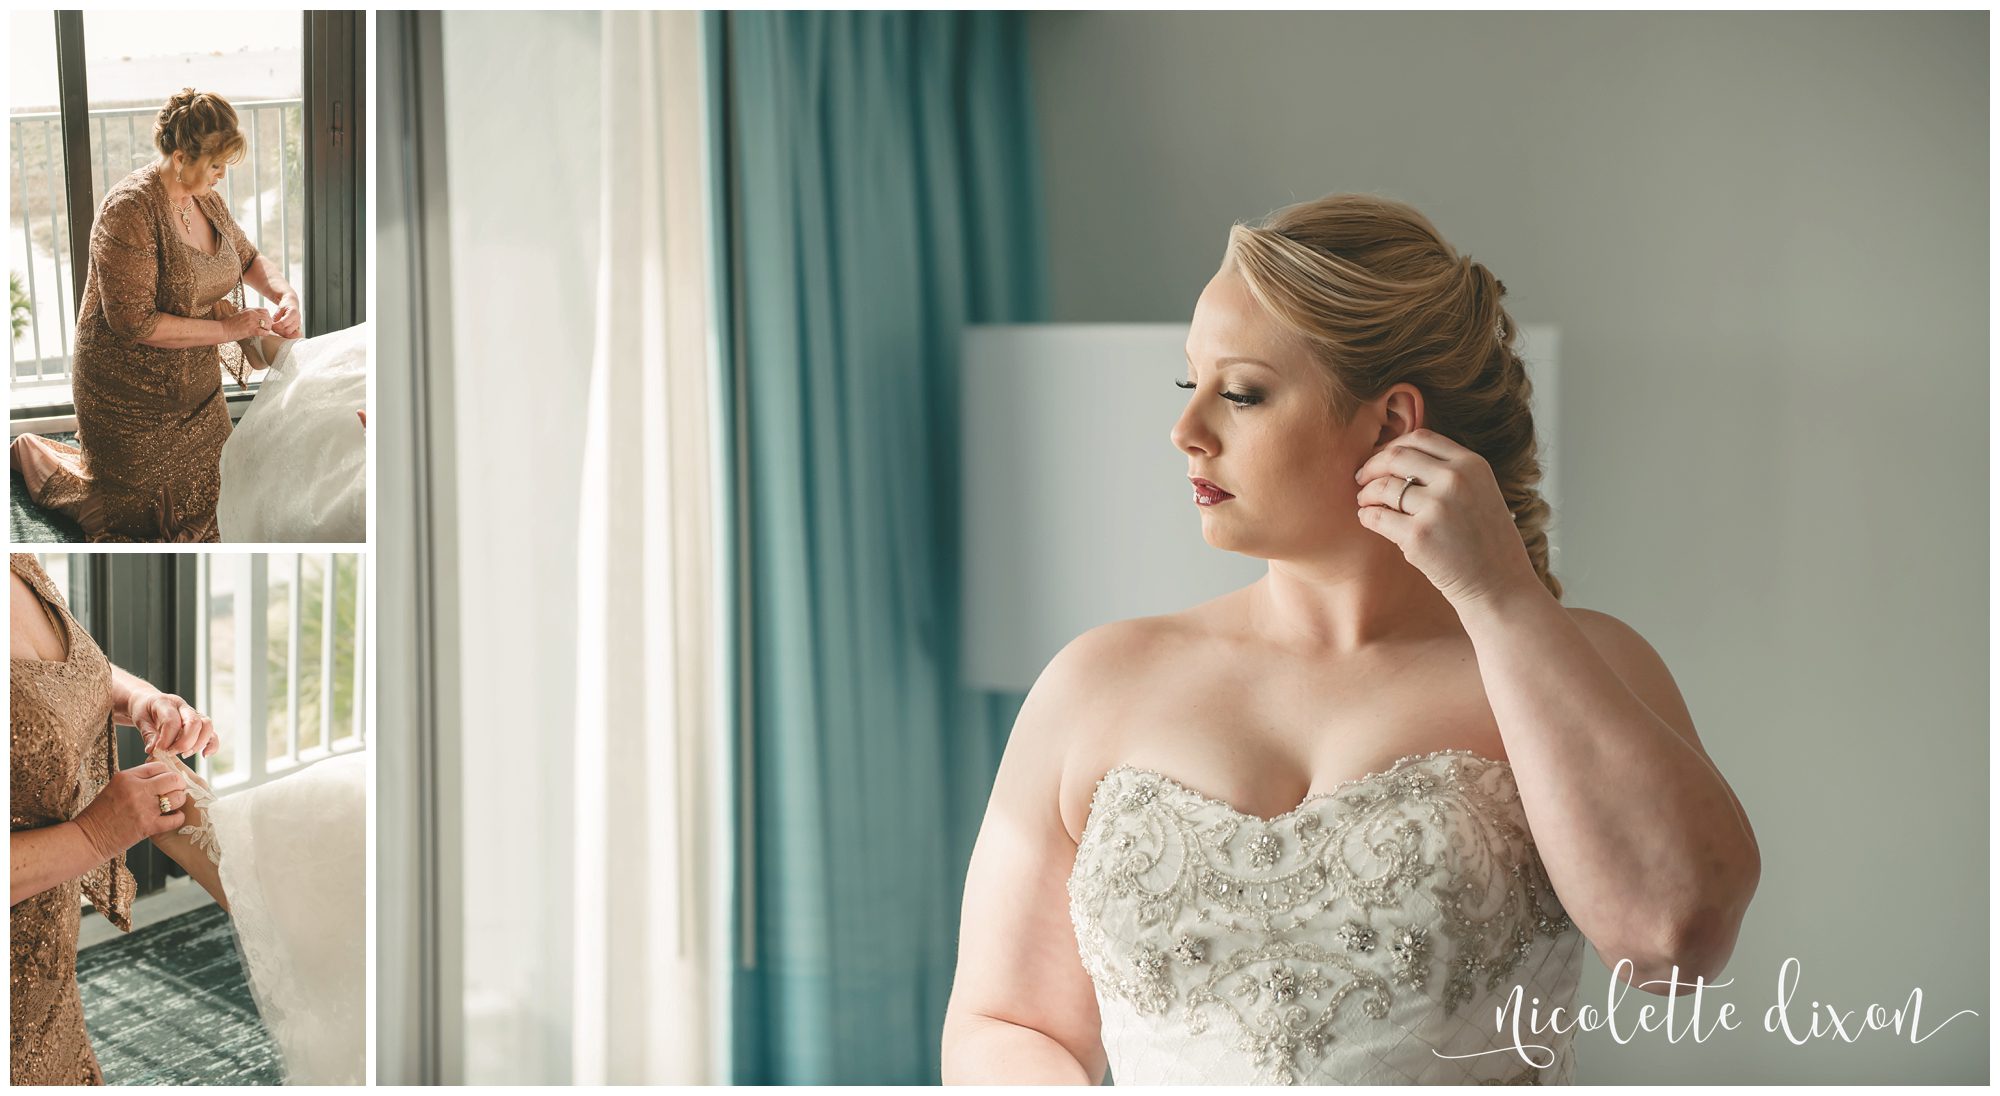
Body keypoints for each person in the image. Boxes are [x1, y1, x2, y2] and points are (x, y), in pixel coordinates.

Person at [940, 194, 1761, 1084]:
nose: (1186, 432)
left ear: (1392, 423)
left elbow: (1674, 944)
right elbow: (1005, 1023)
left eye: (1240, 393)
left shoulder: (1584, 663)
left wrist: (1499, 599)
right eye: (1190, 384)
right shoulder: (1095, 683)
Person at [10, 88, 301, 542]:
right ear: (181, 157)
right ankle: (39, 458)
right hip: (128, 395)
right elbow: (136, 323)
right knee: (147, 524)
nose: (223, 175)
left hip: (197, 387)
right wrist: (228, 328)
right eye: (216, 165)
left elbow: (247, 257)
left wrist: (286, 294)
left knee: (228, 496)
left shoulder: (205, 198)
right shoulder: (129, 210)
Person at [10, 553, 219, 1084]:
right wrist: (95, 833)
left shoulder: (14, 563)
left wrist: (141, 699)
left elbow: (57, 681)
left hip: (44, 964)